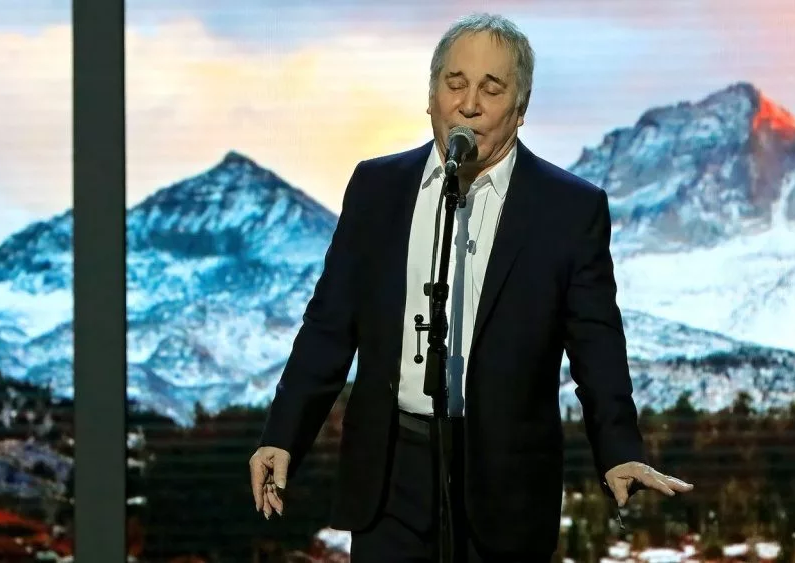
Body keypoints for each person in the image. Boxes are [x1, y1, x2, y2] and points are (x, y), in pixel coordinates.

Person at [249, 12, 692, 563]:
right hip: (390, 474)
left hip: (503, 482)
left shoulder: (568, 209)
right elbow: (329, 325)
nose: (469, 104)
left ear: (521, 108)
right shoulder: (377, 187)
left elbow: (596, 342)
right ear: (431, 95)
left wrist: (619, 451)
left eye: (492, 87)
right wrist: (282, 434)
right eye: (454, 84)